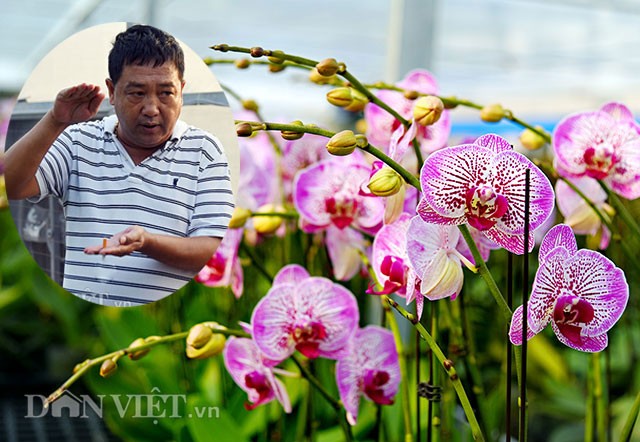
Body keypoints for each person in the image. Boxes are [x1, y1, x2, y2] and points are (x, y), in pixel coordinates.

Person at [4, 25, 234, 307]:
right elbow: (13, 185)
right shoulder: (77, 140)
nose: (152, 108)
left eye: (166, 93)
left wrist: (147, 242)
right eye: (137, 93)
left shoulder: (204, 151)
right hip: (90, 319)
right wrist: (55, 120)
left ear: (182, 91)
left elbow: (209, 249)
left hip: (167, 321)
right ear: (112, 92)